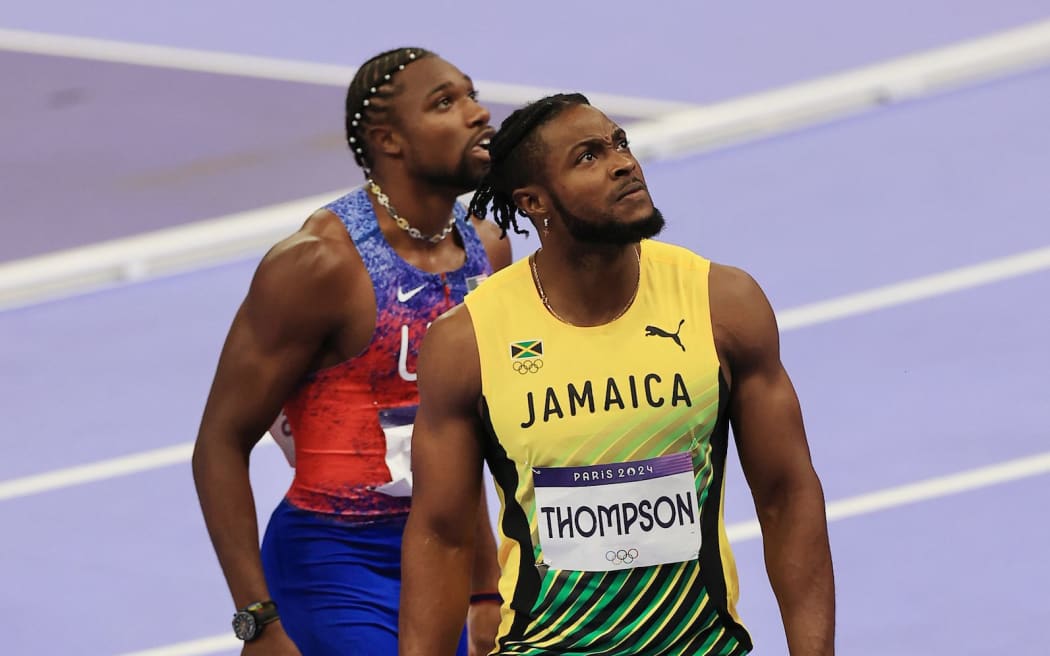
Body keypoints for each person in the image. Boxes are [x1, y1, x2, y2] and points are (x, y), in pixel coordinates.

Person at [399, 93, 835, 655]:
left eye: (620, 144)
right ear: (534, 201)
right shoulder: (468, 342)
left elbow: (786, 494)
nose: (623, 163)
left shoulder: (720, 304)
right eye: (587, 157)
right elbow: (442, 537)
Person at [192, 47, 512, 656]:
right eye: (446, 102)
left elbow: (460, 430)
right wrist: (257, 621)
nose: (478, 113)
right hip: (333, 563)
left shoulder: (488, 251)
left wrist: (485, 591)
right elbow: (219, 443)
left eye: (472, 94)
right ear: (389, 140)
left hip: (442, 556)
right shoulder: (319, 265)